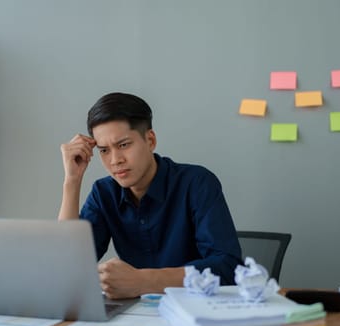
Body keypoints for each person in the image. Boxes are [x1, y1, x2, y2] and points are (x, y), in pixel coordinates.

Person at [58, 92, 242, 299]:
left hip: (196, 308)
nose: (115, 160)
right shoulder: (104, 193)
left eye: (123, 145)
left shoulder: (197, 182)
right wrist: (72, 181)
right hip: (135, 316)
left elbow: (228, 267)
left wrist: (143, 281)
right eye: (104, 150)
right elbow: (67, 269)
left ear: (150, 140)